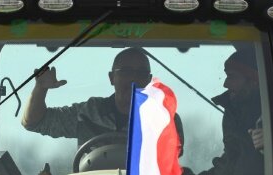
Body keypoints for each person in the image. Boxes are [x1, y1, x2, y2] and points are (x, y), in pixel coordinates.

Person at [21, 47, 184, 152]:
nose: (134, 79)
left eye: (141, 73)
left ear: (149, 81)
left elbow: (168, 166)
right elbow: (35, 122)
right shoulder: (89, 112)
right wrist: (40, 88)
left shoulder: (165, 121)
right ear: (112, 78)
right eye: (126, 71)